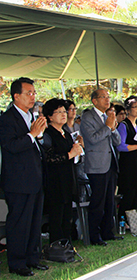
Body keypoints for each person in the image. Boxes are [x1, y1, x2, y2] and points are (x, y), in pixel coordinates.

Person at [0, 77, 49, 276]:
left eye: (34, 93)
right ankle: (17, 262)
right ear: (16, 96)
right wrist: (31, 135)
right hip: (18, 180)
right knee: (19, 222)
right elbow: (10, 146)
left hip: (35, 177)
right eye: (29, 93)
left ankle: (32, 257)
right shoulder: (6, 119)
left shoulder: (32, 116)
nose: (33, 97)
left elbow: (40, 145)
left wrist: (38, 136)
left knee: (34, 221)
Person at [80, 88, 122, 246]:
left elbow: (117, 141)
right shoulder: (87, 117)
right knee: (98, 201)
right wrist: (107, 127)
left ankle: (107, 231)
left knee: (110, 200)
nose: (107, 100)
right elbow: (92, 139)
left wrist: (112, 127)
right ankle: (94, 234)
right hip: (97, 165)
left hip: (110, 163)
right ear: (94, 101)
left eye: (108, 97)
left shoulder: (107, 116)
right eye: (103, 97)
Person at [42, 98, 83, 245]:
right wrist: (69, 154)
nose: (63, 114)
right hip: (55, 181)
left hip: (68, 178)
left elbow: (72, 155)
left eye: (64, 111)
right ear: (50, 116)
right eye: (58, 112)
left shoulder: (65, 132)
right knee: (57, 216)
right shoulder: (48, 134)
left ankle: (67, 244)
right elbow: (49, 158)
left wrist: (77, 150)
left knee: (67, 215)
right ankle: (57, 246)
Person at [116, 96, 137, 222]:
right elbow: (121, 145)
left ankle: (134, 220)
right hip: (128, 163)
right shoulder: (124, 125)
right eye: (135, 107)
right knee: (129, 193)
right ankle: (122, 220)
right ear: (128, 110)